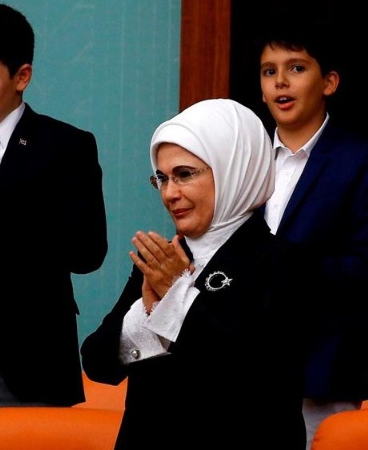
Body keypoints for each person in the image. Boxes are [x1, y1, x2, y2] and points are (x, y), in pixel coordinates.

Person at [81, 99, 310, 449]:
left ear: (234, 170)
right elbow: (97, 362)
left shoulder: (284, 262)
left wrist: (177, 297)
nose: (170, 193)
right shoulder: (165, 258)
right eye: (162, 178)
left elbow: (253, 376)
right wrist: (146, 313)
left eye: (184, 174)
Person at [0, 1, 108, 407]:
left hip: (31, 358)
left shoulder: (65, 146)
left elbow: (88, 253)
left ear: (22, 77)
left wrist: (4, 206)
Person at [257, 22, 368, 448]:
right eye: (269, 71)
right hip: (243, 365)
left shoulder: (357, 157)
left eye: (296, 68)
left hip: (321, 367)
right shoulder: (245, 157)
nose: (280, 81)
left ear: (329, 82)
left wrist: (286, 262)